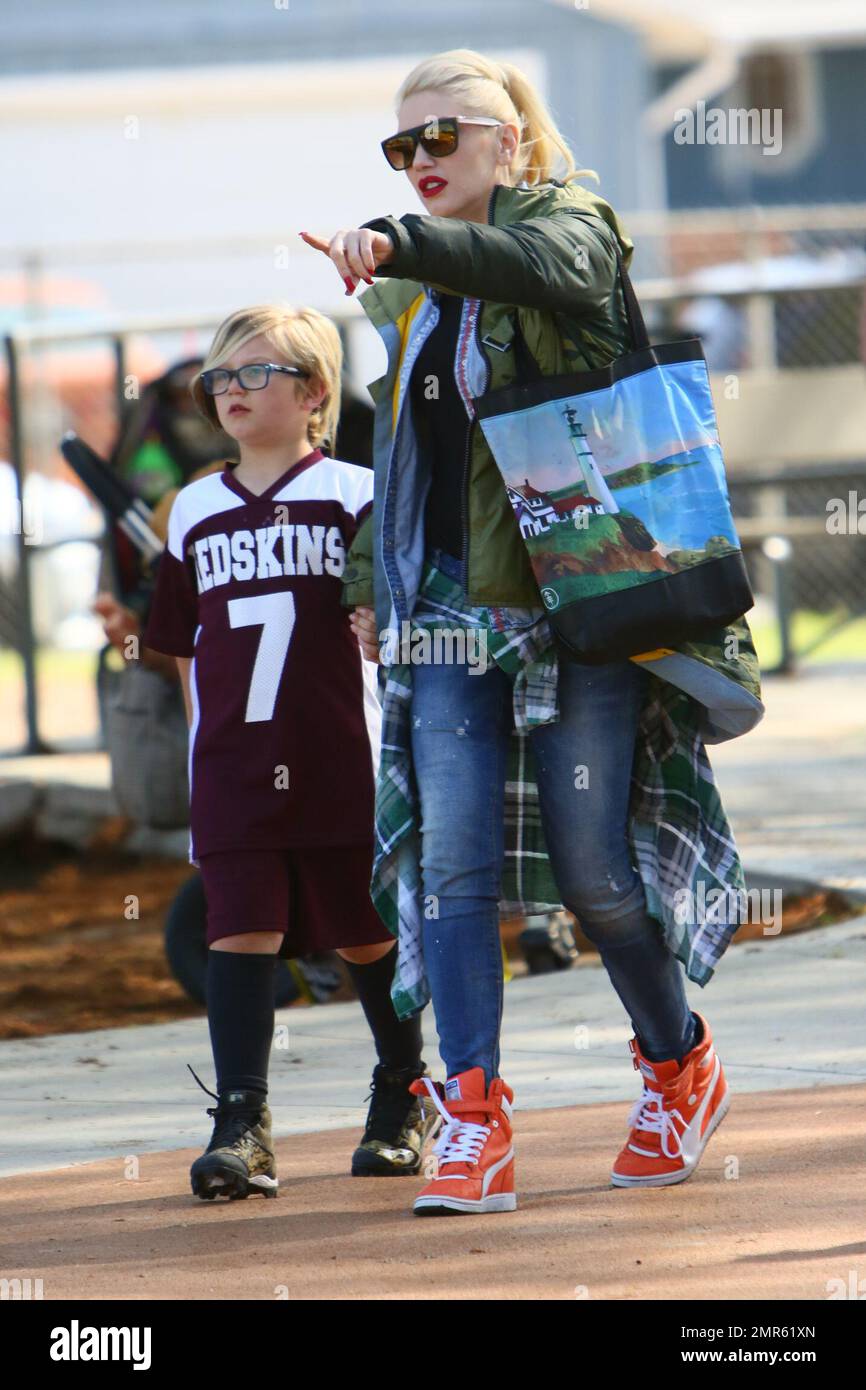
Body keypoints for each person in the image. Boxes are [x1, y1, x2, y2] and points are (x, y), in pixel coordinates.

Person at [301, 48, 763, 1214]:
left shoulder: (574, 225)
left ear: (510, 139)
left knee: (593, 873)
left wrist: (404, 242)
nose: (421, 162)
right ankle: (471, 1115)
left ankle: (676, 1061)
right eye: (402, 146)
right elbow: (400, 459)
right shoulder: (406, 294)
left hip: (576, 603)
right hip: (446, 612)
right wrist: (370, 578)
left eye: (443, 135)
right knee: (453, 865)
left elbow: (542, 268)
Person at [141, 304, 437, 1199]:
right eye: (221, 377)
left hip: (341, 756)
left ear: (313, 392)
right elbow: (182, 648)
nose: (232, 390)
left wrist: (386, 631)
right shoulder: (192, 508)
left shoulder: (356, 493)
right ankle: (242, 1121)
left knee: (362, 931)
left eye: (256, 373)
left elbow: (399, 619)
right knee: (240, 931)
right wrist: (206, 752)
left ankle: (401, 1092)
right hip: (233, 766)